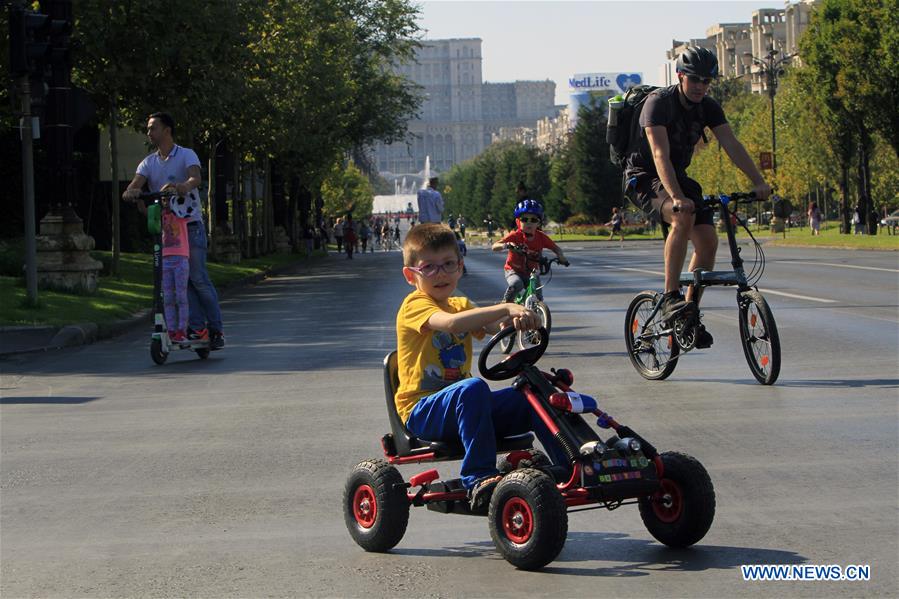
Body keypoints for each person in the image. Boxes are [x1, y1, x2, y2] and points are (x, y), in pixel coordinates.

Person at [395, 223, 569, 513]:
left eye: (448, 264)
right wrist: (506, 308)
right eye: (429, 267)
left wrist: (521, 319)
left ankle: (568, 468)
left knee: (533, 394)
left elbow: (493, 325)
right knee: (473, 388)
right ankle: (478, 478)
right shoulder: (414, 304)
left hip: (465, 405)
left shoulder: (460, 303)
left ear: (460, 267)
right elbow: (451, 324)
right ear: (410, 275)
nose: (441, 273)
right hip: (422, 410)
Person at [624, 46, 771, 349]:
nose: (701, 86)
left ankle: (688, 313)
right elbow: (659, 154)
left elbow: (731, 143)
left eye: (706, 81)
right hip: (643, 178)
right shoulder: (658, 103)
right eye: (695, 79)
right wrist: (677, 197)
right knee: (682, 216)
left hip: (677, 177)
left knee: (707, 242)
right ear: (680, 76)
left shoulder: (708, 106)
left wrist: (758, 181)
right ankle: (670, 297)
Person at [123, 112, 225, 349]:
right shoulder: (148, 162)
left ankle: (216, 329)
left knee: (197, 278)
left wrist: (182, 186)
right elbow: (134, 185)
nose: (149, 132)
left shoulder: (186, 154)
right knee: (180, 280)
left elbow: (195, 177)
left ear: (167, 130)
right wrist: (132, 192)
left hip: (190, 225)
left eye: (153, 128)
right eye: (148, 128)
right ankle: (197, 328)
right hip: (168, 230)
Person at [491, 199, 568, 303]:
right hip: (513, 270)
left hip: (532, 272)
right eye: (525, 219)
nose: (529, 223)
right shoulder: (515, 235)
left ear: (538, 223)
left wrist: (561, 257)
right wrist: (506, 245)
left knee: (538, 296)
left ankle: (537, 310)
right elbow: (494, 246)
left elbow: (556, 248)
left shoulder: (541, 237)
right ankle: (506, 302)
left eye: (533, 220)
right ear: (518, 222)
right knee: (516, 284)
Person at [160, 197, 190, 342]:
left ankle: (182, 330)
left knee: (181, 296)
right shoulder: (161, 216)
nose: (167, 202)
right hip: (165, 259)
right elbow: (146, 213)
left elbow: (189, 209)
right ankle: (171, 330)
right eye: (164, 199)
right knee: (167, 298)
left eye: (170, 198)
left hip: (180, 259)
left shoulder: (182, 213)